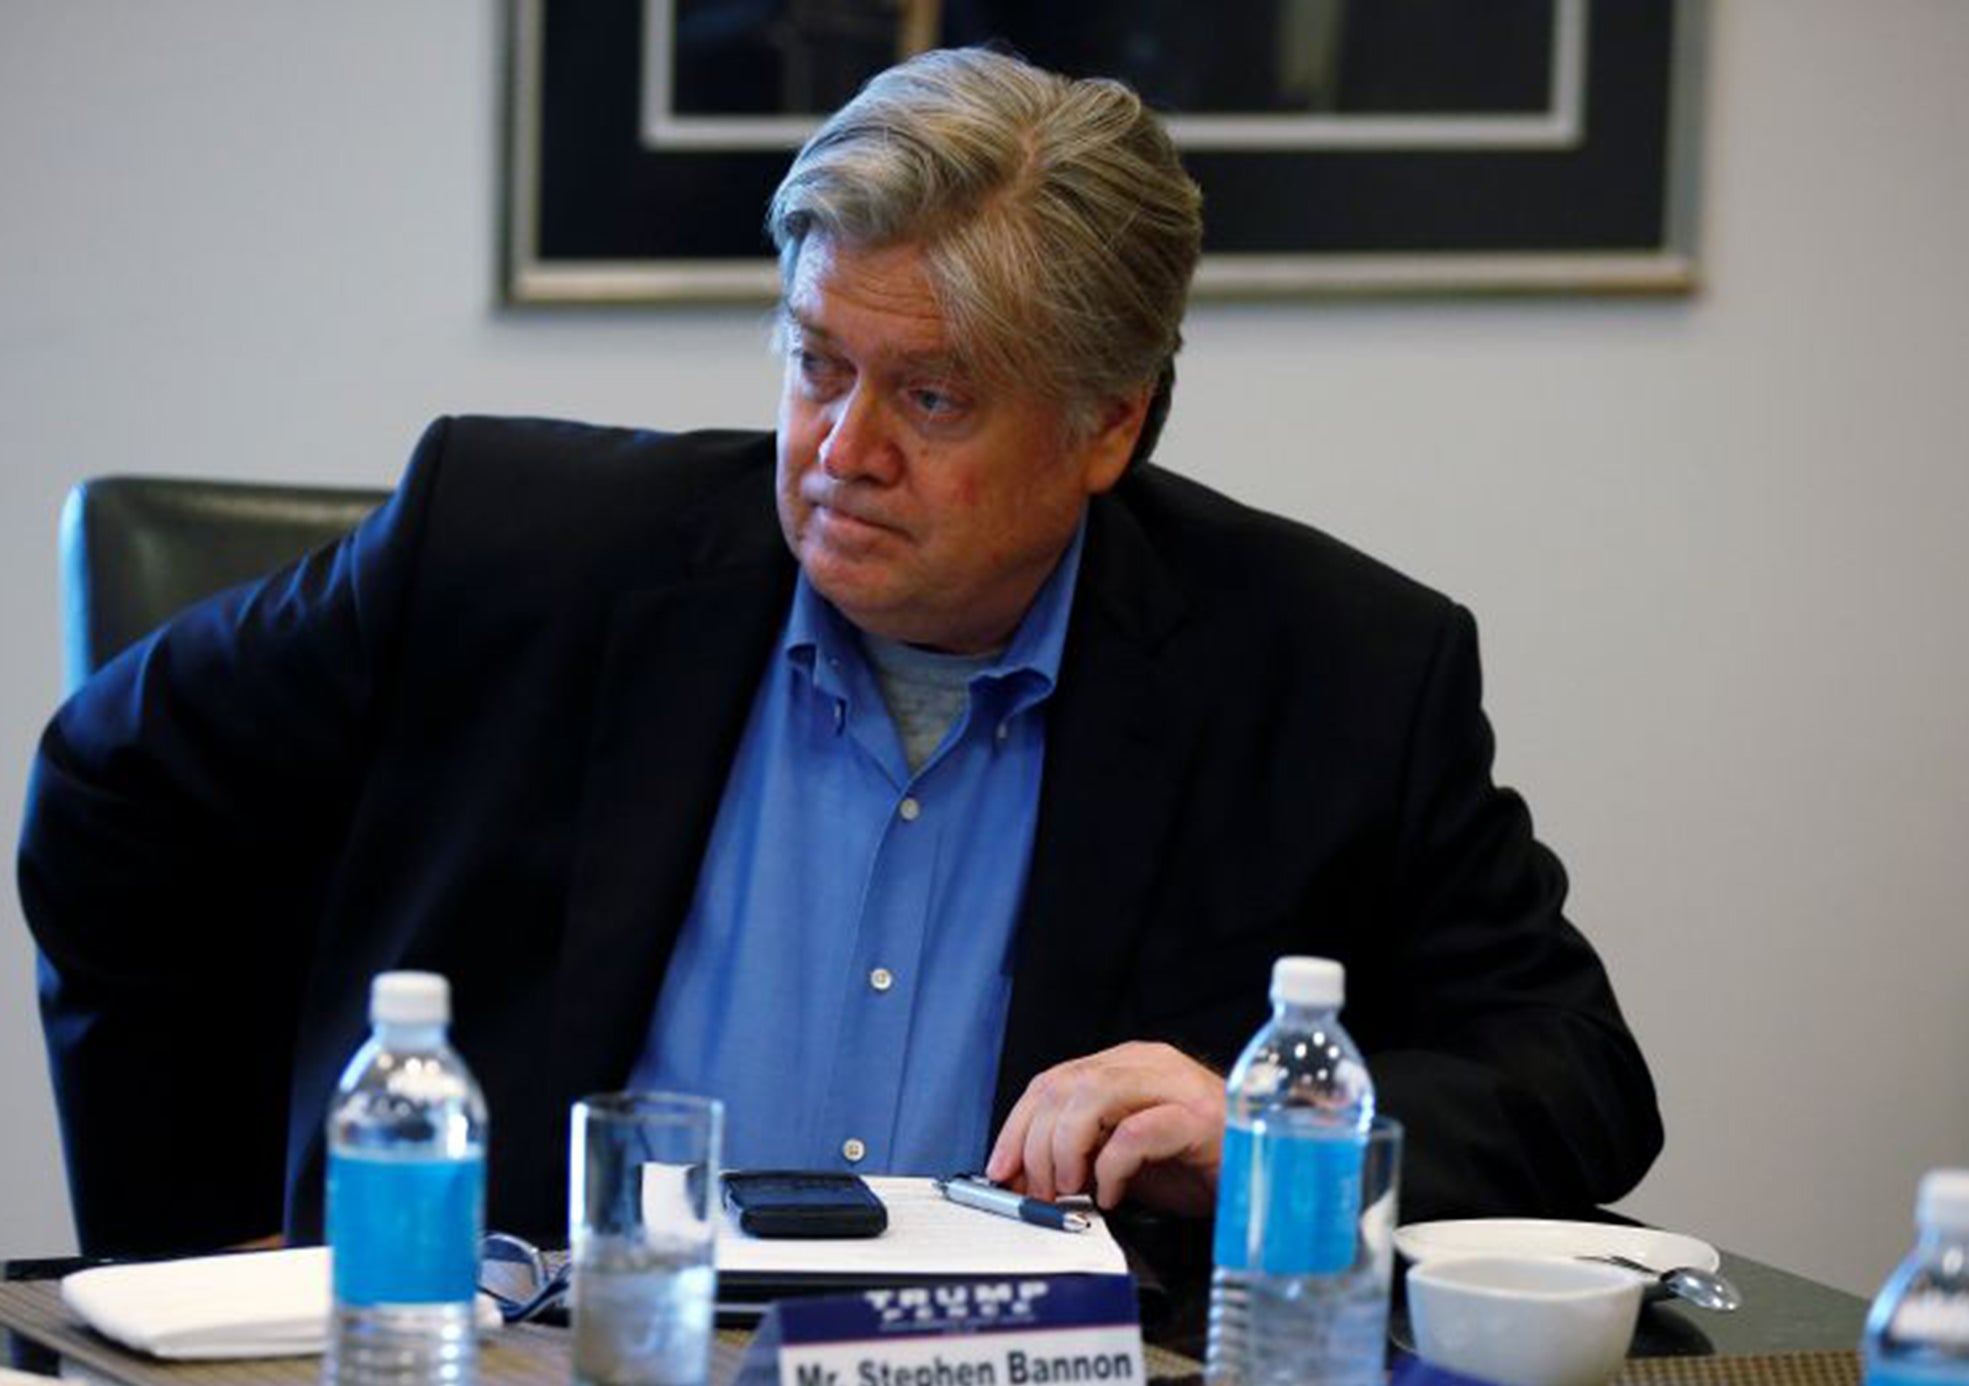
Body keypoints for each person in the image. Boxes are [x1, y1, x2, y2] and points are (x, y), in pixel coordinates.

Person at [19, 48, 1660, 1260]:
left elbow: (1574, 1076)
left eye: (931, 396)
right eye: (817, 363)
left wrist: (1271, 1126)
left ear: (1111, 422)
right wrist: (205, 1258)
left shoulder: (1336, 672)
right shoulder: (510, 543)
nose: (840, 449)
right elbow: (109, 798)